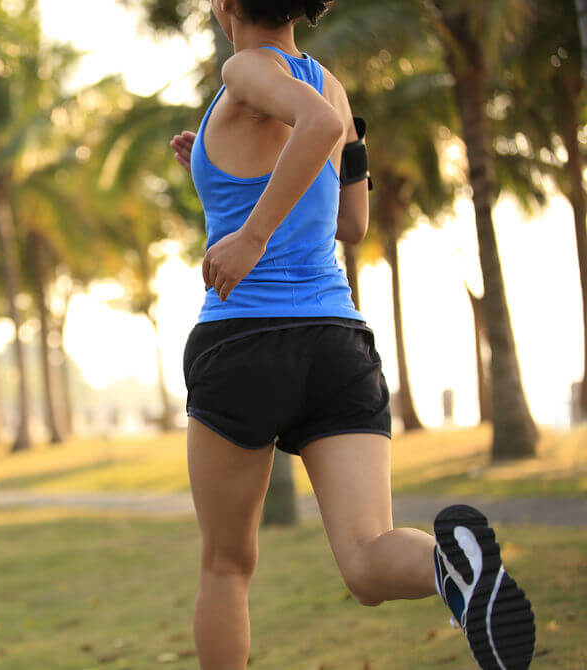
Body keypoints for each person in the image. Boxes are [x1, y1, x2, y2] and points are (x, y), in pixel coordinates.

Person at [169, 1, 536, 669]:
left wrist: (252, 237)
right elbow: (351, 221)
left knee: (226, 564)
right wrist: (214, 169)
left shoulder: (245, 68)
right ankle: (452, 568)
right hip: (337, 346)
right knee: (367, 560)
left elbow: (319, 127)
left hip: (243, 343)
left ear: (227, 4)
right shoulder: (326, 82)